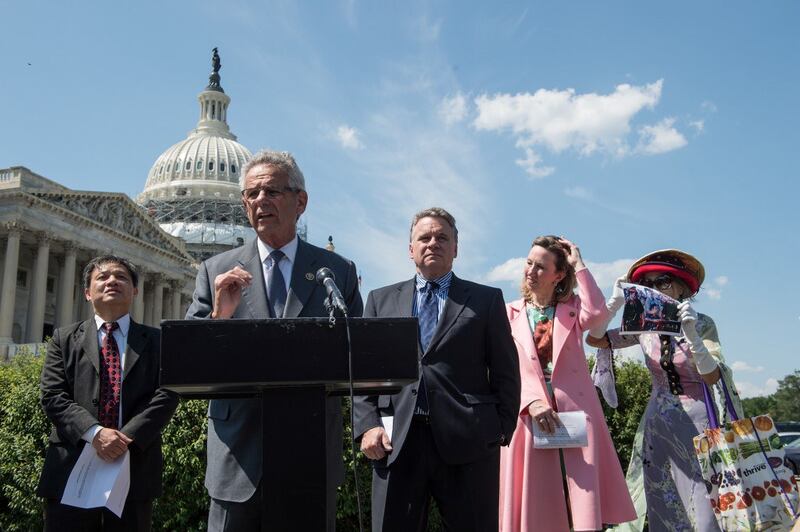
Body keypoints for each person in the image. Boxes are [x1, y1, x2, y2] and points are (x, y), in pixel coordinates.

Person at [185, 149, 363, 532]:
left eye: (271, 192)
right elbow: (188, 365)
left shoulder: (337, 272)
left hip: (311, 453)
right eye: (251, 194)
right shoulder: (215, 270)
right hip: (237, 457)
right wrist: (220, 316)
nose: (259, 201)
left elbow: (357, 356)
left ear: (301, 202)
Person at [353, 207, 520, 531]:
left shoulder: (485, 300)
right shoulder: (380, 300)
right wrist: (367, 425)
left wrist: (499, 428)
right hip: (396, 442)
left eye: (442, 237)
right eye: (424, 237)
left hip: (469, 442)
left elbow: (506, 372)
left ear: (455, 248)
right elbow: (363, 373)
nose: (433, 243)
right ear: (410, 248)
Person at [586, 249, 743, 531]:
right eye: (649, 284)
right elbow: (595, 339)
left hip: (700, 426)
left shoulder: (703, 323)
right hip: (658, 426)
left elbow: (712, 377)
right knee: (663, 503)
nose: (656, 289)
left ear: (682, 286)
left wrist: (691, 333)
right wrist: (614, 302)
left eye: (663, 282)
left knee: (706, 506)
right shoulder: (644, 325)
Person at [499, 236, 636, 531]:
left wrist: (580, 264)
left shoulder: (572, 309)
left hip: (574, 415)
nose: (530, 271)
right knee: (534, 501)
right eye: (529, 263)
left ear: (558, 275)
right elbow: (503, 369)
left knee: (581, 501)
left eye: (540, 267)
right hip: (527, 411)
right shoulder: (506, 313)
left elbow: (598, 312)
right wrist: (530, 401)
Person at [38, 255, 179, 531]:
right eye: (102, 277)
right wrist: (95, 433)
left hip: (134, 467)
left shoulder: (159, 341)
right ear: (88, 293)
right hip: (72, 469)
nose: (112, 280)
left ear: (135, 290)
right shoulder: (64, 339)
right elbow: (53, 395)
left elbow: (167, 394)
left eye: (122, 277)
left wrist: (125, 438)